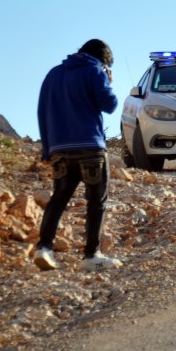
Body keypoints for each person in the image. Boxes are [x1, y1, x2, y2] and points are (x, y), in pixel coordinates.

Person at [33, 39, 123, 272]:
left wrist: (47, 149)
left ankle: (44, 247)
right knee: (96, 200)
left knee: (58, 198)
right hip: (90, 147)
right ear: (103, 60)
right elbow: (110, 105)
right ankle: (91, 255)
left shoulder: (53, 74)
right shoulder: (95, 71)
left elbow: (42, 111)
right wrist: (107, 81)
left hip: (59, 149)